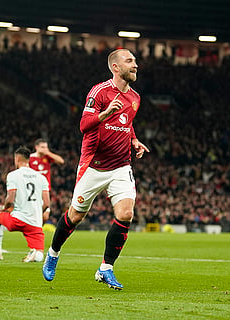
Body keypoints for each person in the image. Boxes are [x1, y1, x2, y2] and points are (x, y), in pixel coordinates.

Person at [42, 48, 149, 290]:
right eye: (129, 61)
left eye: (135, 61)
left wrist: (133, 140)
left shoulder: (135, 98)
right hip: (93, 166)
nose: (135, 65)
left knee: (126, 214)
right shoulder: (99, 92)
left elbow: (127, 124)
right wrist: (105, 113)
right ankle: (53, 253)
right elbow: (83, 125)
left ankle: (106, 269)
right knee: (75, 216)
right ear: (115, 67)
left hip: (121, 166)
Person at [0, 146, 50, 262]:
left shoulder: (13, 175)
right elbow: (46, 203)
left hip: (18, 220)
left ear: (17, 159)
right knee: (40, 255)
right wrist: (36, 213)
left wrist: (3, 208)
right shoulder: (41, 178)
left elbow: (10, 199)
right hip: (35, 223)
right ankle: (35, 253)